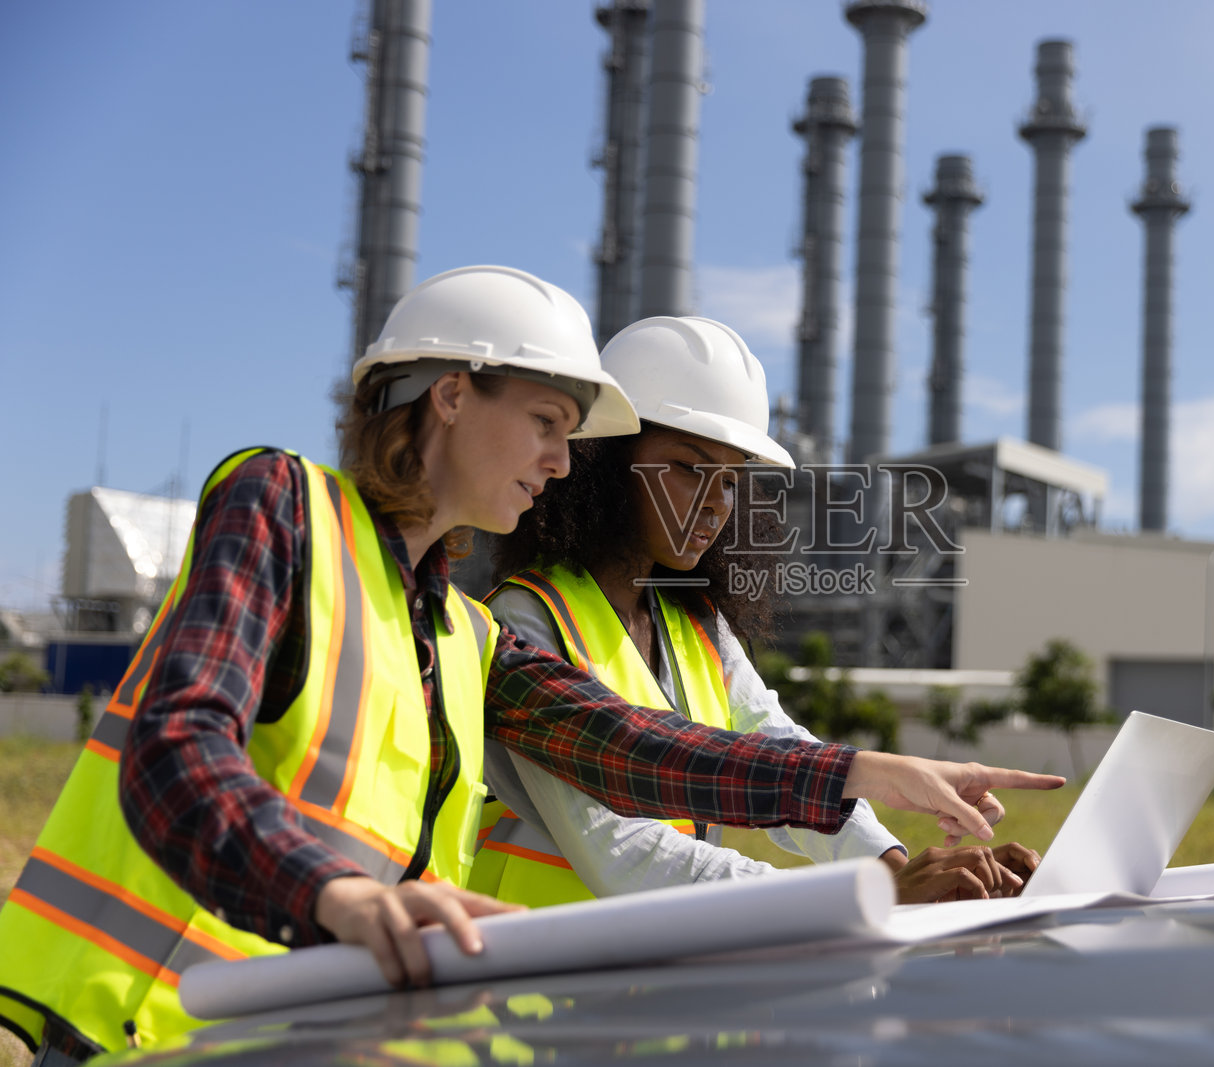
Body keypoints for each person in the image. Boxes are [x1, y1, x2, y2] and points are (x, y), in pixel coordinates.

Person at [0, 267, 1062, 1065]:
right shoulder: (283, 504)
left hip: (304, 1035)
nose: (560, 460)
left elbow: (623, 742)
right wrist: (334, 892)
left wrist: (851, 777)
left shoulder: (466, 636)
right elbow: (175, 742)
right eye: (548, 422)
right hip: (147, 1018)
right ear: (451, 396)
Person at [468, 315, 1041, 910]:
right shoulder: (524, 621)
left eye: (732, 478)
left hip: (645, 978)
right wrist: (869, 893)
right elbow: (623, 851)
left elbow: (777, 745)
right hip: (531, 985)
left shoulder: (695, 624)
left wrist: (896, 863)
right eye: (690, 469)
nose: (716, 503)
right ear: (602, 463)